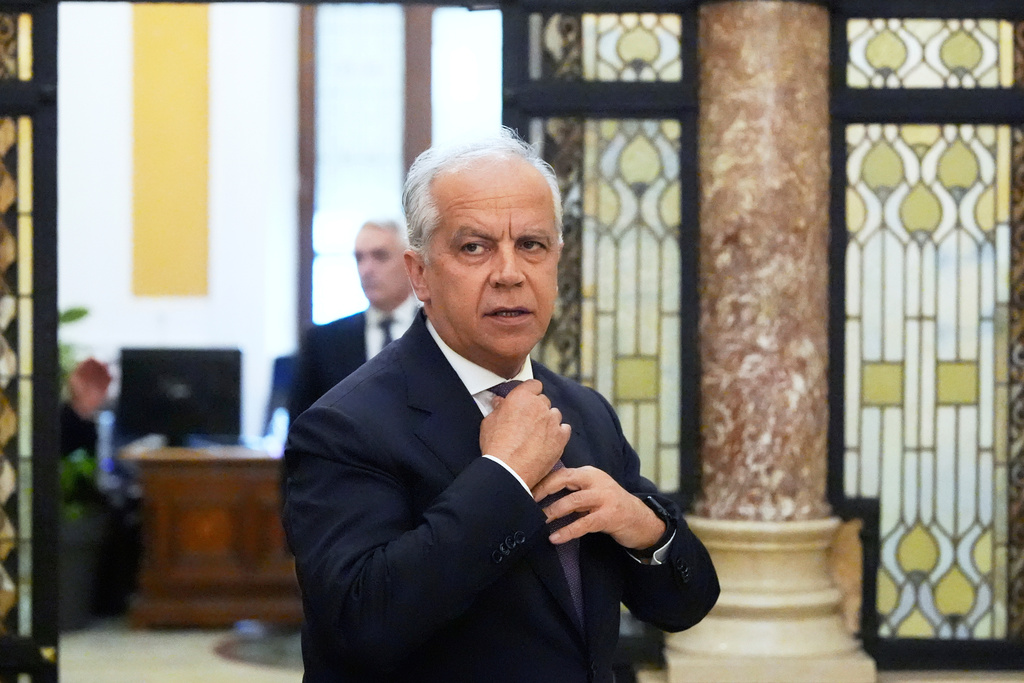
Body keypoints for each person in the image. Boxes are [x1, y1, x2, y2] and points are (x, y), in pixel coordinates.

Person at [282, 129, 719, 683]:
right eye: (475, 247)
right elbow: (359, 626)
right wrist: (505, 477)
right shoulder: (343, 426)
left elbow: (686, 603)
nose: (510, 272)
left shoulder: (583, 412)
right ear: (420, 274)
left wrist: (646, 530)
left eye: (532, 245)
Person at [288, 219, 419, 421]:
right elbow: (301, 426)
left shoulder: (440, 331)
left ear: (410, 264)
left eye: (380, 256)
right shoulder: (323, 341)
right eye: (359, 258)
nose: (366, 269)